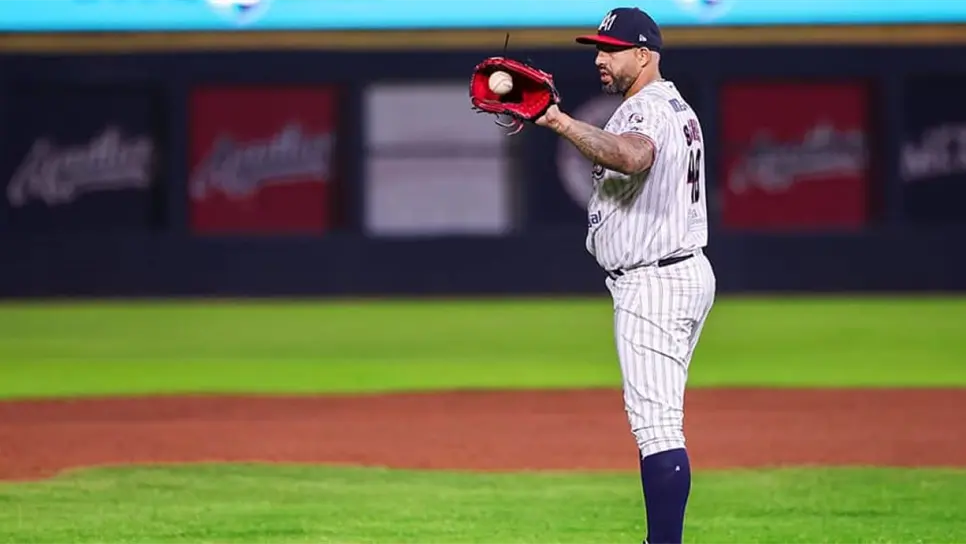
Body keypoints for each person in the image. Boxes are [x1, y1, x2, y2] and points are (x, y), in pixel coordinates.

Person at [534, 7, 716, 544]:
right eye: (597, 49)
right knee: (663, 420)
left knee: (657, 428)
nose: (599, 59)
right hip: (683, 272)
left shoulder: (646, 111)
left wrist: (558, 121)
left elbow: (635, 157)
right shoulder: (674, 106)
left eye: (609, 50)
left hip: (653, 281)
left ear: (643, 55)